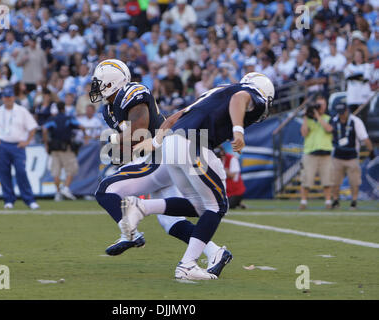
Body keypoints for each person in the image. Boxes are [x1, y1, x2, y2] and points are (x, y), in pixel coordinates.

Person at [122, 72, 274, 280]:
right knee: (217, 206)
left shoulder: (217, 91)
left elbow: (176, 116)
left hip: (173, 143)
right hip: (193, 144)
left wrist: (156, 144)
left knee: (200, 205)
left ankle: (142, 207)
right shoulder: (249, 93)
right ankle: (187, 265)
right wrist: (238, 131)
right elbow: (240, 98)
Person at [90, 59, 231, 275]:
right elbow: (131, 141)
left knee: (106, 190)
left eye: (99, 81)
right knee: (171, 222)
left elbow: (140, 131)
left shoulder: (131, 92)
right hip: (154, 157)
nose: (95, 86)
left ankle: (130, 233)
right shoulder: (109, 110)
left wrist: (116, 143)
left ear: (112, 82)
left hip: (160, 154)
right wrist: (121, 147)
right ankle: (215, 252)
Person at [0, 85, 40, 210]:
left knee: (21, 172)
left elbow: (33, 127)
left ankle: (29, 200)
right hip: (2, 145)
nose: (7, 99)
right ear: (2, 98)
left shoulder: (22, 111)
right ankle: (8, 200)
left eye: (9, 96)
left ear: (14, 98)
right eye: (5, 97)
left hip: (17, 145)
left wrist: (27, 141)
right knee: (4, 173)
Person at [330, 103, 375, 210]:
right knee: (335, 181)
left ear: (347, 111)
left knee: (354, 182)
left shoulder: (355, 121)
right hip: (337, 157)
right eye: (339, 113)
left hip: (352, 157)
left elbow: (364, 137)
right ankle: (335, 200)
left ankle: (354, 201)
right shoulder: (334, 121)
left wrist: (371, 151)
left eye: (343, 113)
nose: (341, 115)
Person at [43, 101, 84, 202]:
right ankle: (65, 188)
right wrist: (86, 136)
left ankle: (57, 193)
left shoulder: (52, 118)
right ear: (64, 108)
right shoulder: (68, 118)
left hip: (54, 148)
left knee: (56, 171)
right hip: (66, 148)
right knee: (71, 169)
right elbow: (80, 126)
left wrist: (46, 144)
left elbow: (44, 129)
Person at [299, 94, 333, 210]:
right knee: (306, 180)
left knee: (327, 180)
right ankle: (303, 202)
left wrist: (318, 116)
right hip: (310, 153)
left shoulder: (329, 118)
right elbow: (304, 133)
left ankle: (328, 202)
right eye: (318, 104)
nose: (320, 107)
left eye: (322, 104)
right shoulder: (308, 119)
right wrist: (305, 117)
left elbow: (329, 129)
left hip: (325, 154)